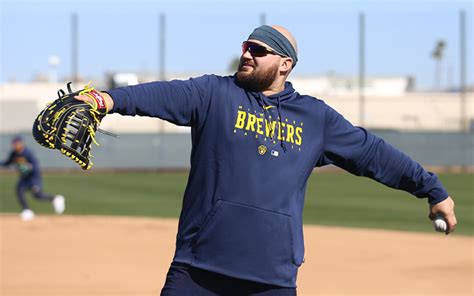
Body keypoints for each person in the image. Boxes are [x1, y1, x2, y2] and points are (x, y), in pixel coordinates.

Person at [77, 25, 457, 295]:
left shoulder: (316, 118)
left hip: (271, 278)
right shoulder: (214, 93)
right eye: (246, 46)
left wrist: (432, 189)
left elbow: (374, 154)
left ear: (285, 64)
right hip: (199, 270)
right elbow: (161, 95)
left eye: (258, 50)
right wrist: (104, 100)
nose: (246, 54)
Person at [1, 135, 65, 221]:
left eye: (17, 144)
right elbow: (7, 162)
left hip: (33, 177)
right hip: (24, 178)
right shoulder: (14, 154)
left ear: (21, 144)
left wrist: (29, 168)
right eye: (14, 144)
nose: (16, 146)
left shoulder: (27, 153)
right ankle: (27, 210)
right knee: (19, 190)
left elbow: (36, 166)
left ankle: (55, 198)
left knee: (37, 195)